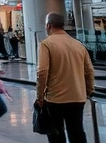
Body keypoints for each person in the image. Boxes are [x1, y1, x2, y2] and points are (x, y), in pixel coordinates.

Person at [35, 12, 94, 143]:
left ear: (49, 26)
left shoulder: (46, 44)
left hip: (55, 99)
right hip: (77, 97)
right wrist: (88, 91)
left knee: (56, 133)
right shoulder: (78, 44)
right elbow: (89, 71)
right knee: (77, 132)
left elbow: (42, 72)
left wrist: (40, 97)